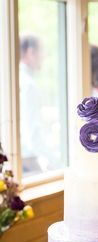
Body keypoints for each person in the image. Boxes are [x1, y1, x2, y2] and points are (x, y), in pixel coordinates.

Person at [19, 34, 47, 174]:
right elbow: (33, 134)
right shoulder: (28, 85)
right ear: (31, 52)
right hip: (26, 163)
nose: (44, 56)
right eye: (42, 51)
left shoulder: (17, 79)